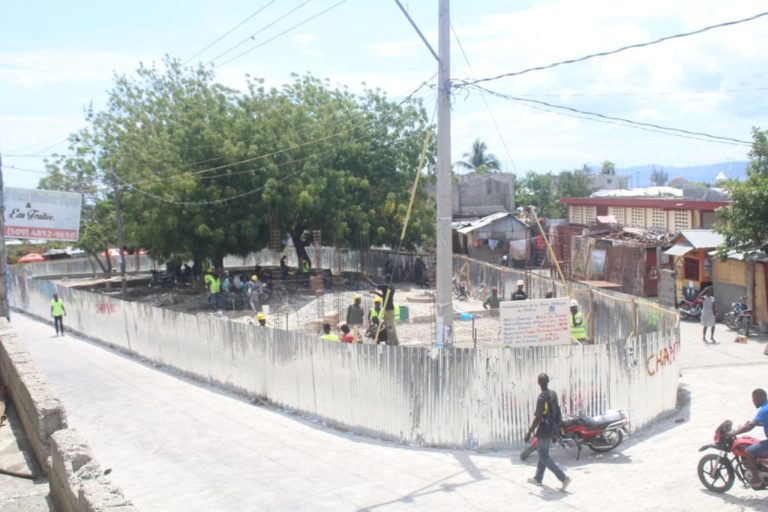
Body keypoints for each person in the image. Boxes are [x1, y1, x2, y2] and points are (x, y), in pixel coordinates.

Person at [524, 373, 571, 491]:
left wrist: (529, 432)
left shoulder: (541, 398)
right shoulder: (553, 394)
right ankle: (538, 478)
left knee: (543, 456)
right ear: (548, 381)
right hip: (552, 429)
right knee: (543, 454)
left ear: (538, 383)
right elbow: (557, 412)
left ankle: (563, 478)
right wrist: (557, 430)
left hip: (544, 430)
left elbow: (538, 417)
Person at [731, 388, 768, 489]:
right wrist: (757, 423)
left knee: (748, 452)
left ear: (761, 397)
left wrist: (733, 433)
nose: (753, 401)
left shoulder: (763, 410)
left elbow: (749, 427)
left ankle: (756, 481)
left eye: (754, 399)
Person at [363, 271, 399, 345]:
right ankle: (391, 341)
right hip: (389, 308)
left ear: (386, 279)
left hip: (388, 309)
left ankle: (394, 342)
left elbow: (374, 285)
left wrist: (367, 278)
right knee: (389, 326)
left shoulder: (385, 286)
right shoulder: (391, 287)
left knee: (389, 327)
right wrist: (375, 293)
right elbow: (384, 297)